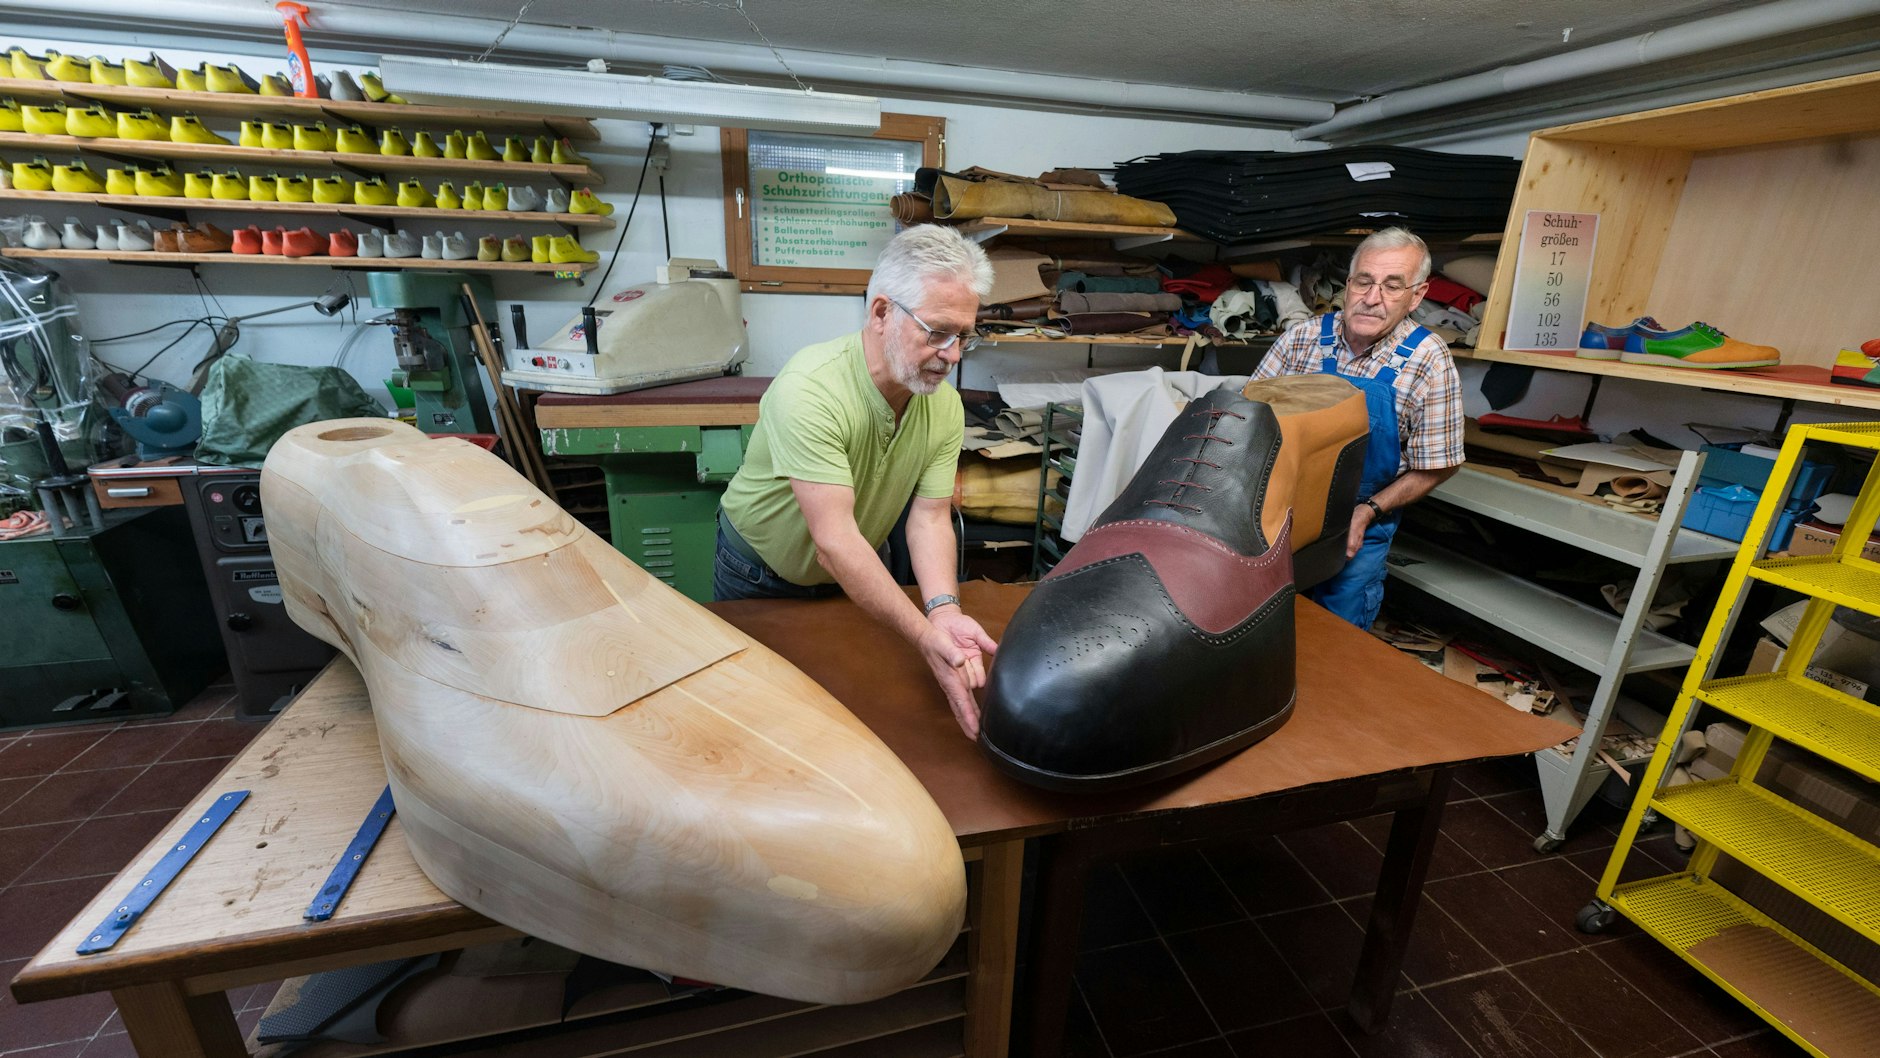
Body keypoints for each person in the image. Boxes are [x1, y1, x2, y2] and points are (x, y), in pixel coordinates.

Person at [715, 224, 999, 739]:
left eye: (964, 336)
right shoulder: (811, 390)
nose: (953, 355)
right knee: (764, 721)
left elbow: (929, 518)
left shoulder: (944, 404)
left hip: (859, 574)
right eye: (937, 332)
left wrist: (943, 611)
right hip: (759, 572)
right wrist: (921, 634)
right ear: (882, 312)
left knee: (856, 710)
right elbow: (834, 542)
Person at [1251, 227, 1463, 629]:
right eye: (1364, 281)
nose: (1372, 298)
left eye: (1392, 286)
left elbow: (1439, 464)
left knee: (1336, 640)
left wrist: (1367, 512)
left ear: (1417, 296)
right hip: (1280, 513)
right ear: (1348, 285)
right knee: (1260, 626)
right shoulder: (1304, 339)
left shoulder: (1429, 360)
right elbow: (1249, 420)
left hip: (1361, 520)